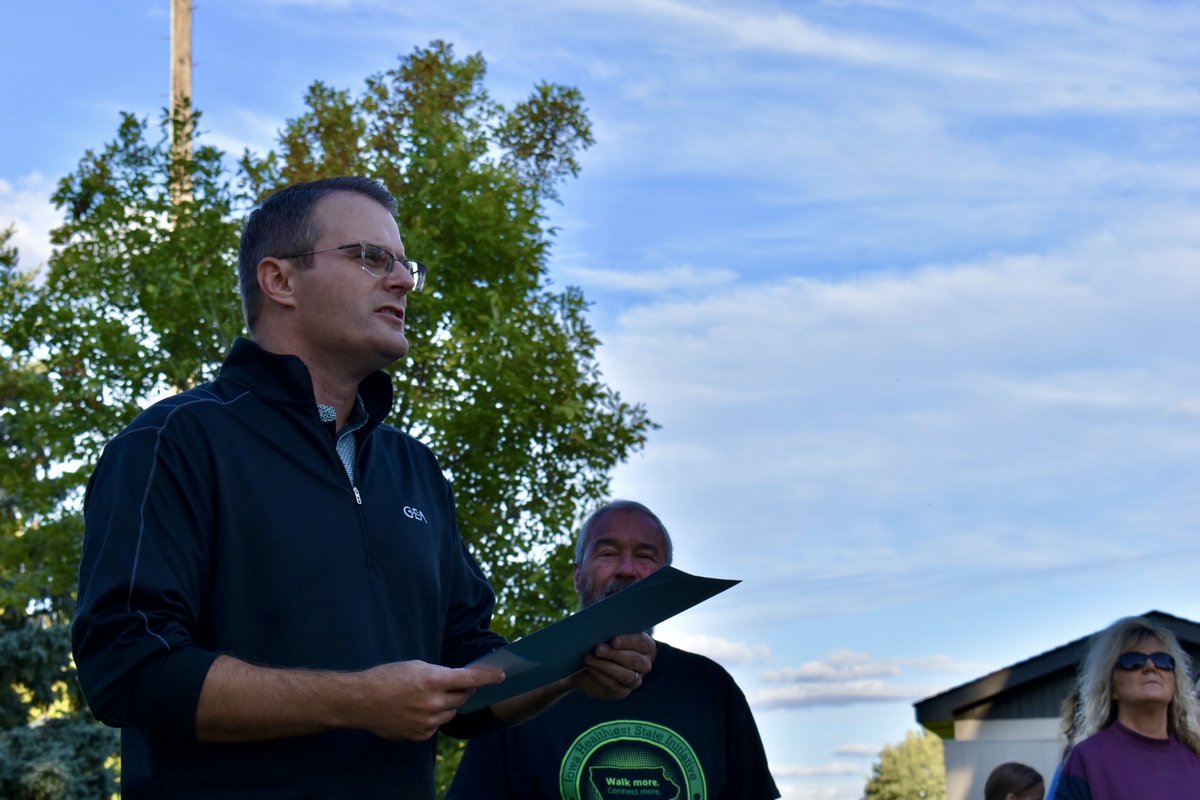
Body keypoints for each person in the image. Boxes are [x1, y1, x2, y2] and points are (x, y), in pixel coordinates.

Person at [71, 176, 654, 799]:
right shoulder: (174, 442)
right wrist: (354, 702)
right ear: (280, 281)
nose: (402, 281)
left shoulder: (415, 469)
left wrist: (570, 669)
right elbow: (127, 667)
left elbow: (466, 674)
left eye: (404, 266)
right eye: (371, 258)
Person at [447, 499, 781, 800]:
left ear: (667, 579)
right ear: (578, 575)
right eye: (607, 553)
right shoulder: (519, 690)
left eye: (645, 556)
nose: (627, 569)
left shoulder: (712, 688)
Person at [1052, 615, 1200, 799]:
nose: (1150, 666)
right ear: (1111, 686)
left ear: (1174, 681)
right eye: (1133, 661)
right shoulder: (1087, 759)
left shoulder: (1195, 755)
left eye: (1162, 660)